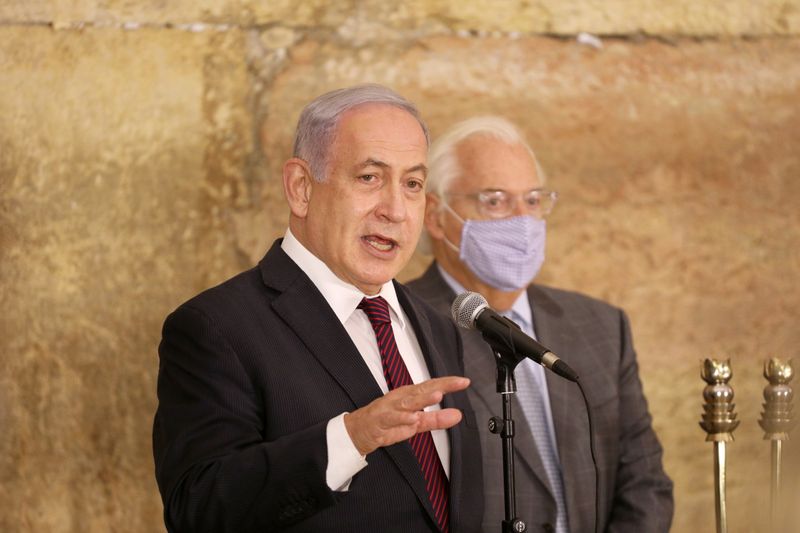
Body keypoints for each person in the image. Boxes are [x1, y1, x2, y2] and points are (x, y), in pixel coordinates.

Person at [152, 85, 483, 533]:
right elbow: (199, 509)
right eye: (369, 177)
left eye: (412, 184)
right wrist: (351, 438)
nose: (396, 210)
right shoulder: (216, 327)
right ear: (301, 188)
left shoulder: (437, 325)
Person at [407, 116, 673, 533]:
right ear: (436, 217)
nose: (522, 221)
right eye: (494, 201)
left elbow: (645, 483)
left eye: (532, 201)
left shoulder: (602, 326)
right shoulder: (400, 325)